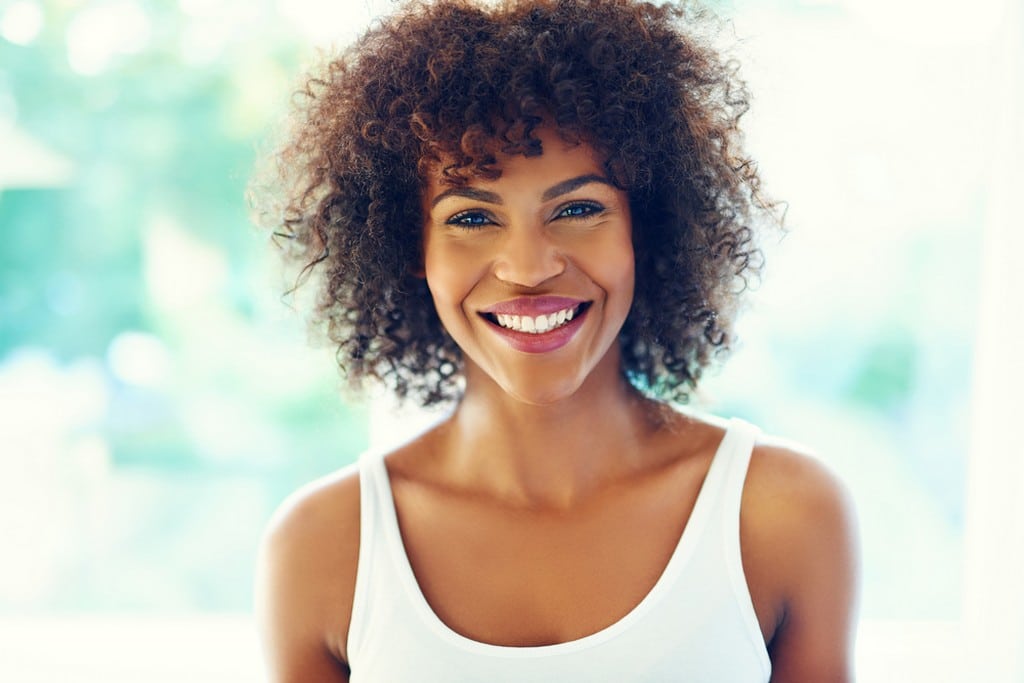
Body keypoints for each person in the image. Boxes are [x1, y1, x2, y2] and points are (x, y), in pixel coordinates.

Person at [253, 0, 859, 681]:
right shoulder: (325, 546)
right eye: (473, 216)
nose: (529, 268)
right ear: (408, 245)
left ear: (646, 227)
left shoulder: (779, 514)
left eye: (577, 209)